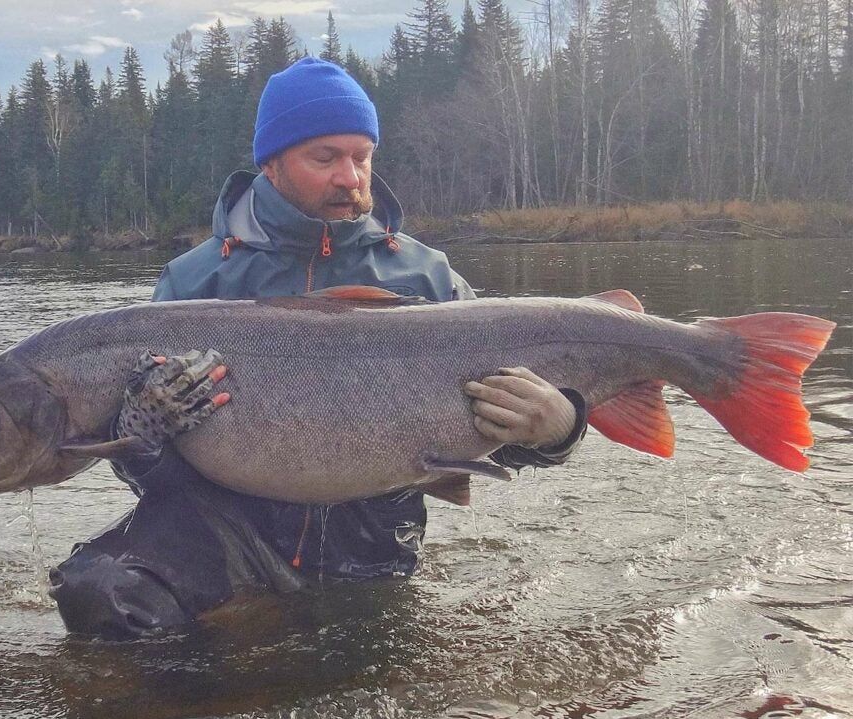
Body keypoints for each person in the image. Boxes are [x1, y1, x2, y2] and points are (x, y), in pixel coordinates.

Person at [48, 58, 587, 639]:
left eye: (361, 156)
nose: (350, 177)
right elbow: (154, 478)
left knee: (353, 681)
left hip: (371, 544)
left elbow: (490, 436)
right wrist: (140, 433)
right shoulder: (191, 286)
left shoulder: (432, 282)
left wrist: (561, 429)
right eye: (324, 158)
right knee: (96, 591)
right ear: (272, 164)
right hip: (222, 530)